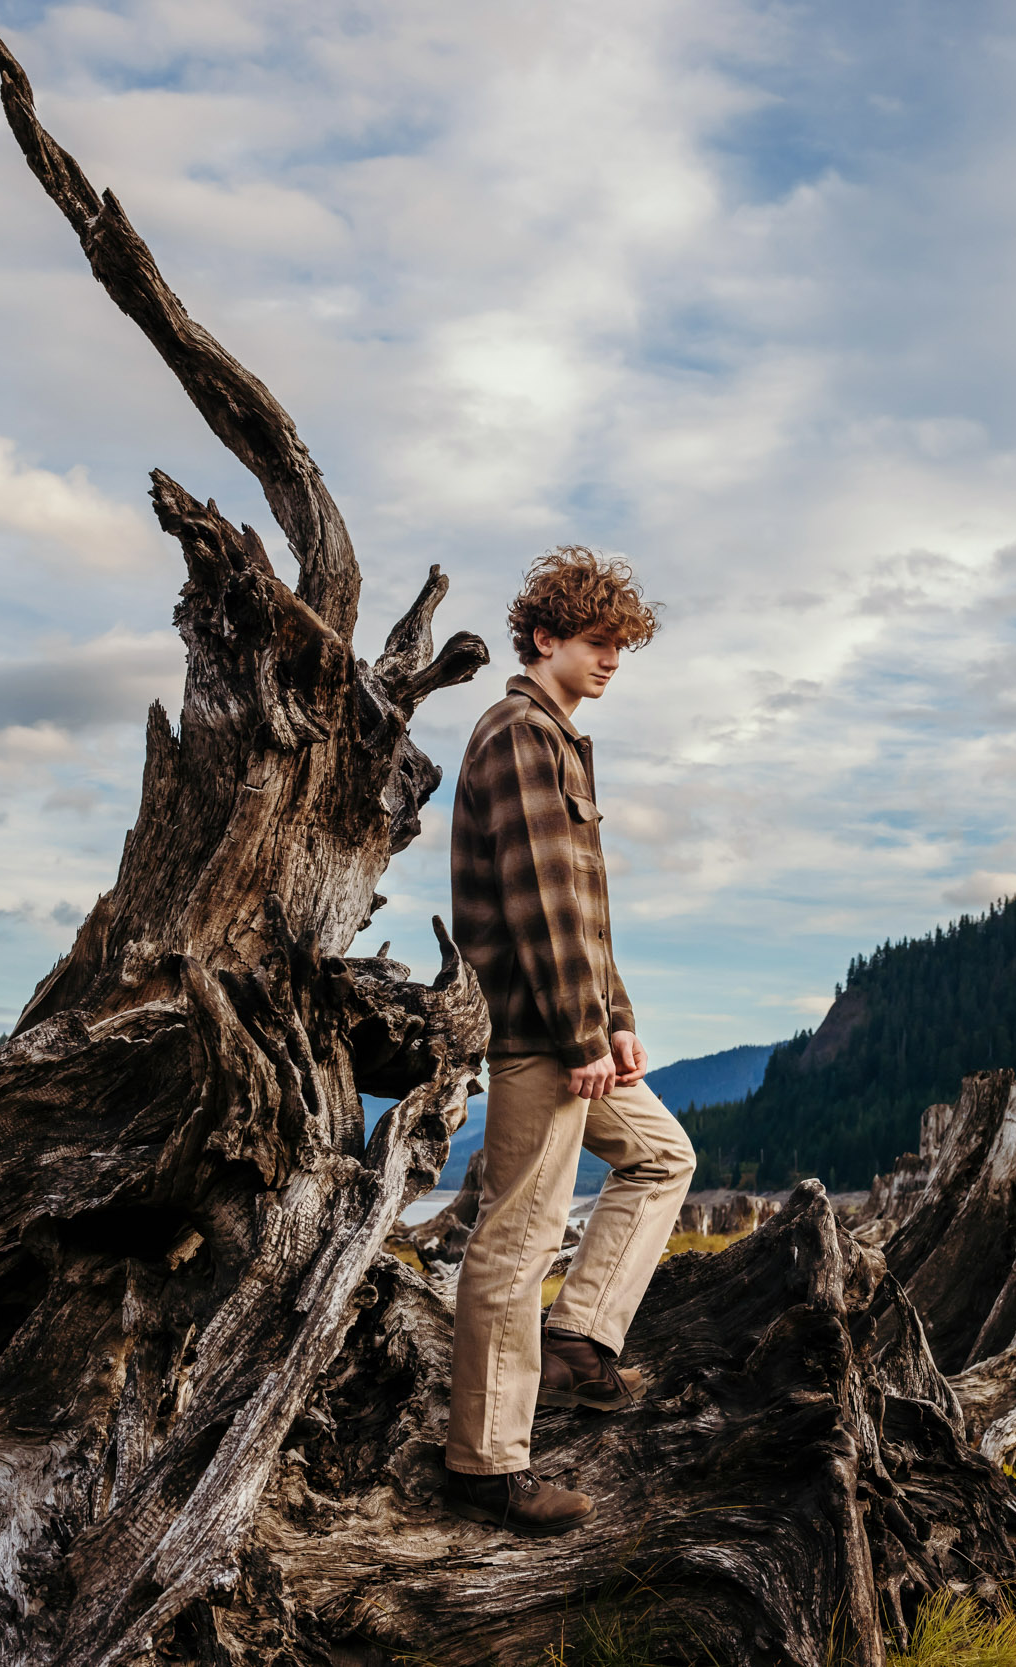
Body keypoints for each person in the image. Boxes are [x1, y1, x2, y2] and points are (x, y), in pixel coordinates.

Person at [441, 546, 695, 1536]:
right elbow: (540, 905)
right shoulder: (516, 732)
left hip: (576, 1028)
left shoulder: (560, 740)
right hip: (536, 1035)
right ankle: (484, 1465)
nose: (612, 662)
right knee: (514, 1240)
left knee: (662, 1154)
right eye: (598, 642)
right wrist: (583, 1031)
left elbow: (588, 913)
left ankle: (580, 1335)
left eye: (621, 647)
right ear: (544, 637)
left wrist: (620, 1021)